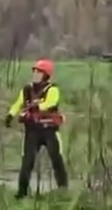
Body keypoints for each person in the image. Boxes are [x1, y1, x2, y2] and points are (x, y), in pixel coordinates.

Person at [4, 59, 68, 198]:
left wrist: (37, 107)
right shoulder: (27, 89)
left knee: (56, 159)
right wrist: (10, 115)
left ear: (45, 75)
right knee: (27, 161)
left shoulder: (52, 89)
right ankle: (21, 193)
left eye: (38, 71)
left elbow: (51, 103)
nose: (35, 73)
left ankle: (63, 190)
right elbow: (18, 103)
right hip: (32, 131)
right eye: (34, 71)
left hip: (49, 130)